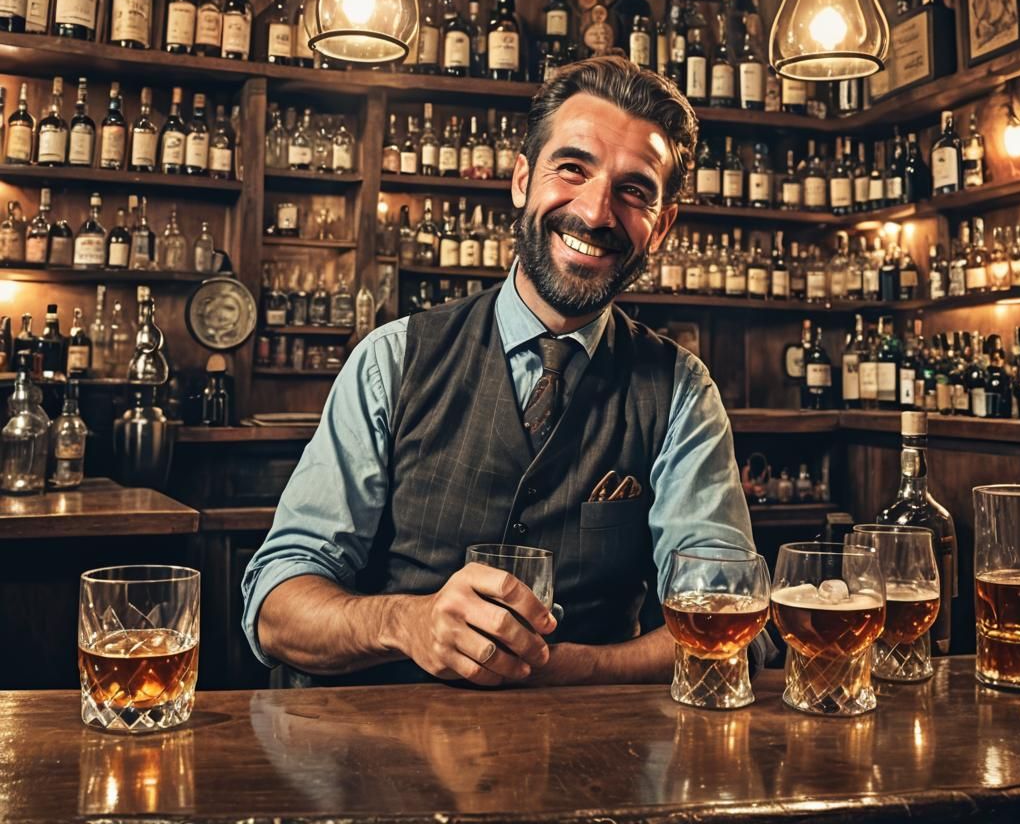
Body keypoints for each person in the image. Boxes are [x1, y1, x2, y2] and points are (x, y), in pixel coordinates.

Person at [242, 55, 772, 687]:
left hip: (588, 763)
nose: (598, 213)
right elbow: (276, 608)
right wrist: (407, 624)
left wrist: (567, 667)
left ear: (661, 229)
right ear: (522, 180)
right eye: (572, 168)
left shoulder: (681, 391)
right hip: (373, 757)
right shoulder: (391, 360)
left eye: (634, 191)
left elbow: (734, 627)